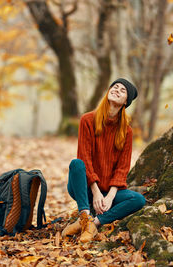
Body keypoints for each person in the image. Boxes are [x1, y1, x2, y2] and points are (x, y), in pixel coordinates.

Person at [62, 78, 146, 243]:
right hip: (84, 187)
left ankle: (93, 223)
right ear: (108, 92)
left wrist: (109, 197)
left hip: (109, 191)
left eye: (122, 90)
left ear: (126, 102)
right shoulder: (87, 120)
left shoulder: (126, 132)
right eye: (115, 87)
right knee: (77, 164)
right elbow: (84, 157)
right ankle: (85, 215)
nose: (117, 90)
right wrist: (96, 192)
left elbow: (123, 168)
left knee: (138, 199)